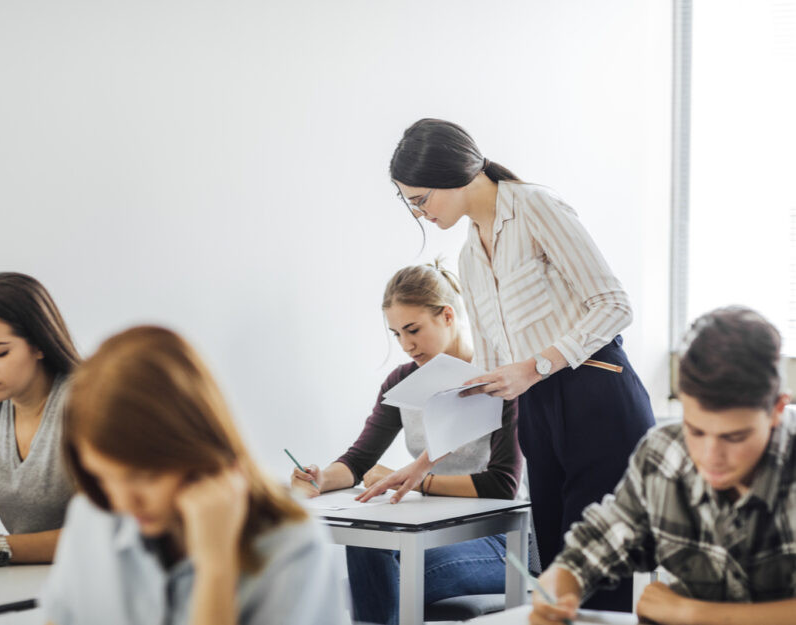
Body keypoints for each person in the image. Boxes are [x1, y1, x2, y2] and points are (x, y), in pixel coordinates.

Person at [362, 118, 655, 611]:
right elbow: (487, 384)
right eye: (409, 202)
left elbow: (614, 304)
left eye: (420, 198)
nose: (419, 213)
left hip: (597, 397)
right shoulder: (469, 256)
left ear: (453, 174)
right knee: (561, 587)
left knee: (601, 585)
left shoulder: (536, 206)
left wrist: (535, 365)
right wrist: (422, 463)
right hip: (538, 415)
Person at [41, 325, 349, 625]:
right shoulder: (92, 518)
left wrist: (215, 569)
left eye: (144, 477)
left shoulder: (291, 546)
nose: (122, 501)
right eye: (103, 478)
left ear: (197, 451)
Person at [529, 307, 795, 625]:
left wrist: (693, 613)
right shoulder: (664, 453)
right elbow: (603, 539)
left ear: (777, 410)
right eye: (696, 430)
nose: (711, 455)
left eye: (734, 437)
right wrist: (561, 582)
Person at [291, 261, 522, 625]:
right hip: (431, 529)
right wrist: (319, 479)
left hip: (501, 540)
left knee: (380, 587)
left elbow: (503, 485)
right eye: (396, 333)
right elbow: (358, 460)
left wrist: (417, 479)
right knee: (366, 543)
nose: (406, 345)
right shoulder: (401, 381)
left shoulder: (501, 379)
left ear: (447, 316)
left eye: (413, 330)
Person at [0, 272, 79, 567]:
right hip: (26, 584)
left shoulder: (87, 402)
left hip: (101, 584)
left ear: (40, 344)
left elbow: (108, 531)